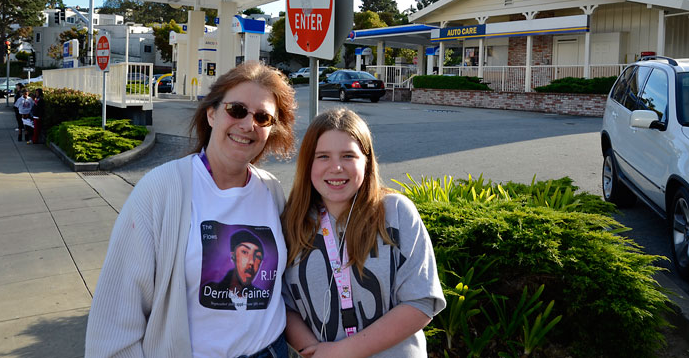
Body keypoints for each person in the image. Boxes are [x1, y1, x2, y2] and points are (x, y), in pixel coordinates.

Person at [86, 61, 297, 358]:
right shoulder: (161, 190)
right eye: (236, 110)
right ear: (211, 113)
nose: (248, 124)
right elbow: (116, 315)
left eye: (263, 117)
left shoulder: (271, 190)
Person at [282, 108, 445, 357]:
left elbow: (420, 302)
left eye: (348, 156)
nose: (336, 167)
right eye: (323, 156)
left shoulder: (396, 213)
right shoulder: (292, 222)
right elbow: (284, 305)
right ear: (307, 163)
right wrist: (313, 352)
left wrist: (340, 352)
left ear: (366, 161)